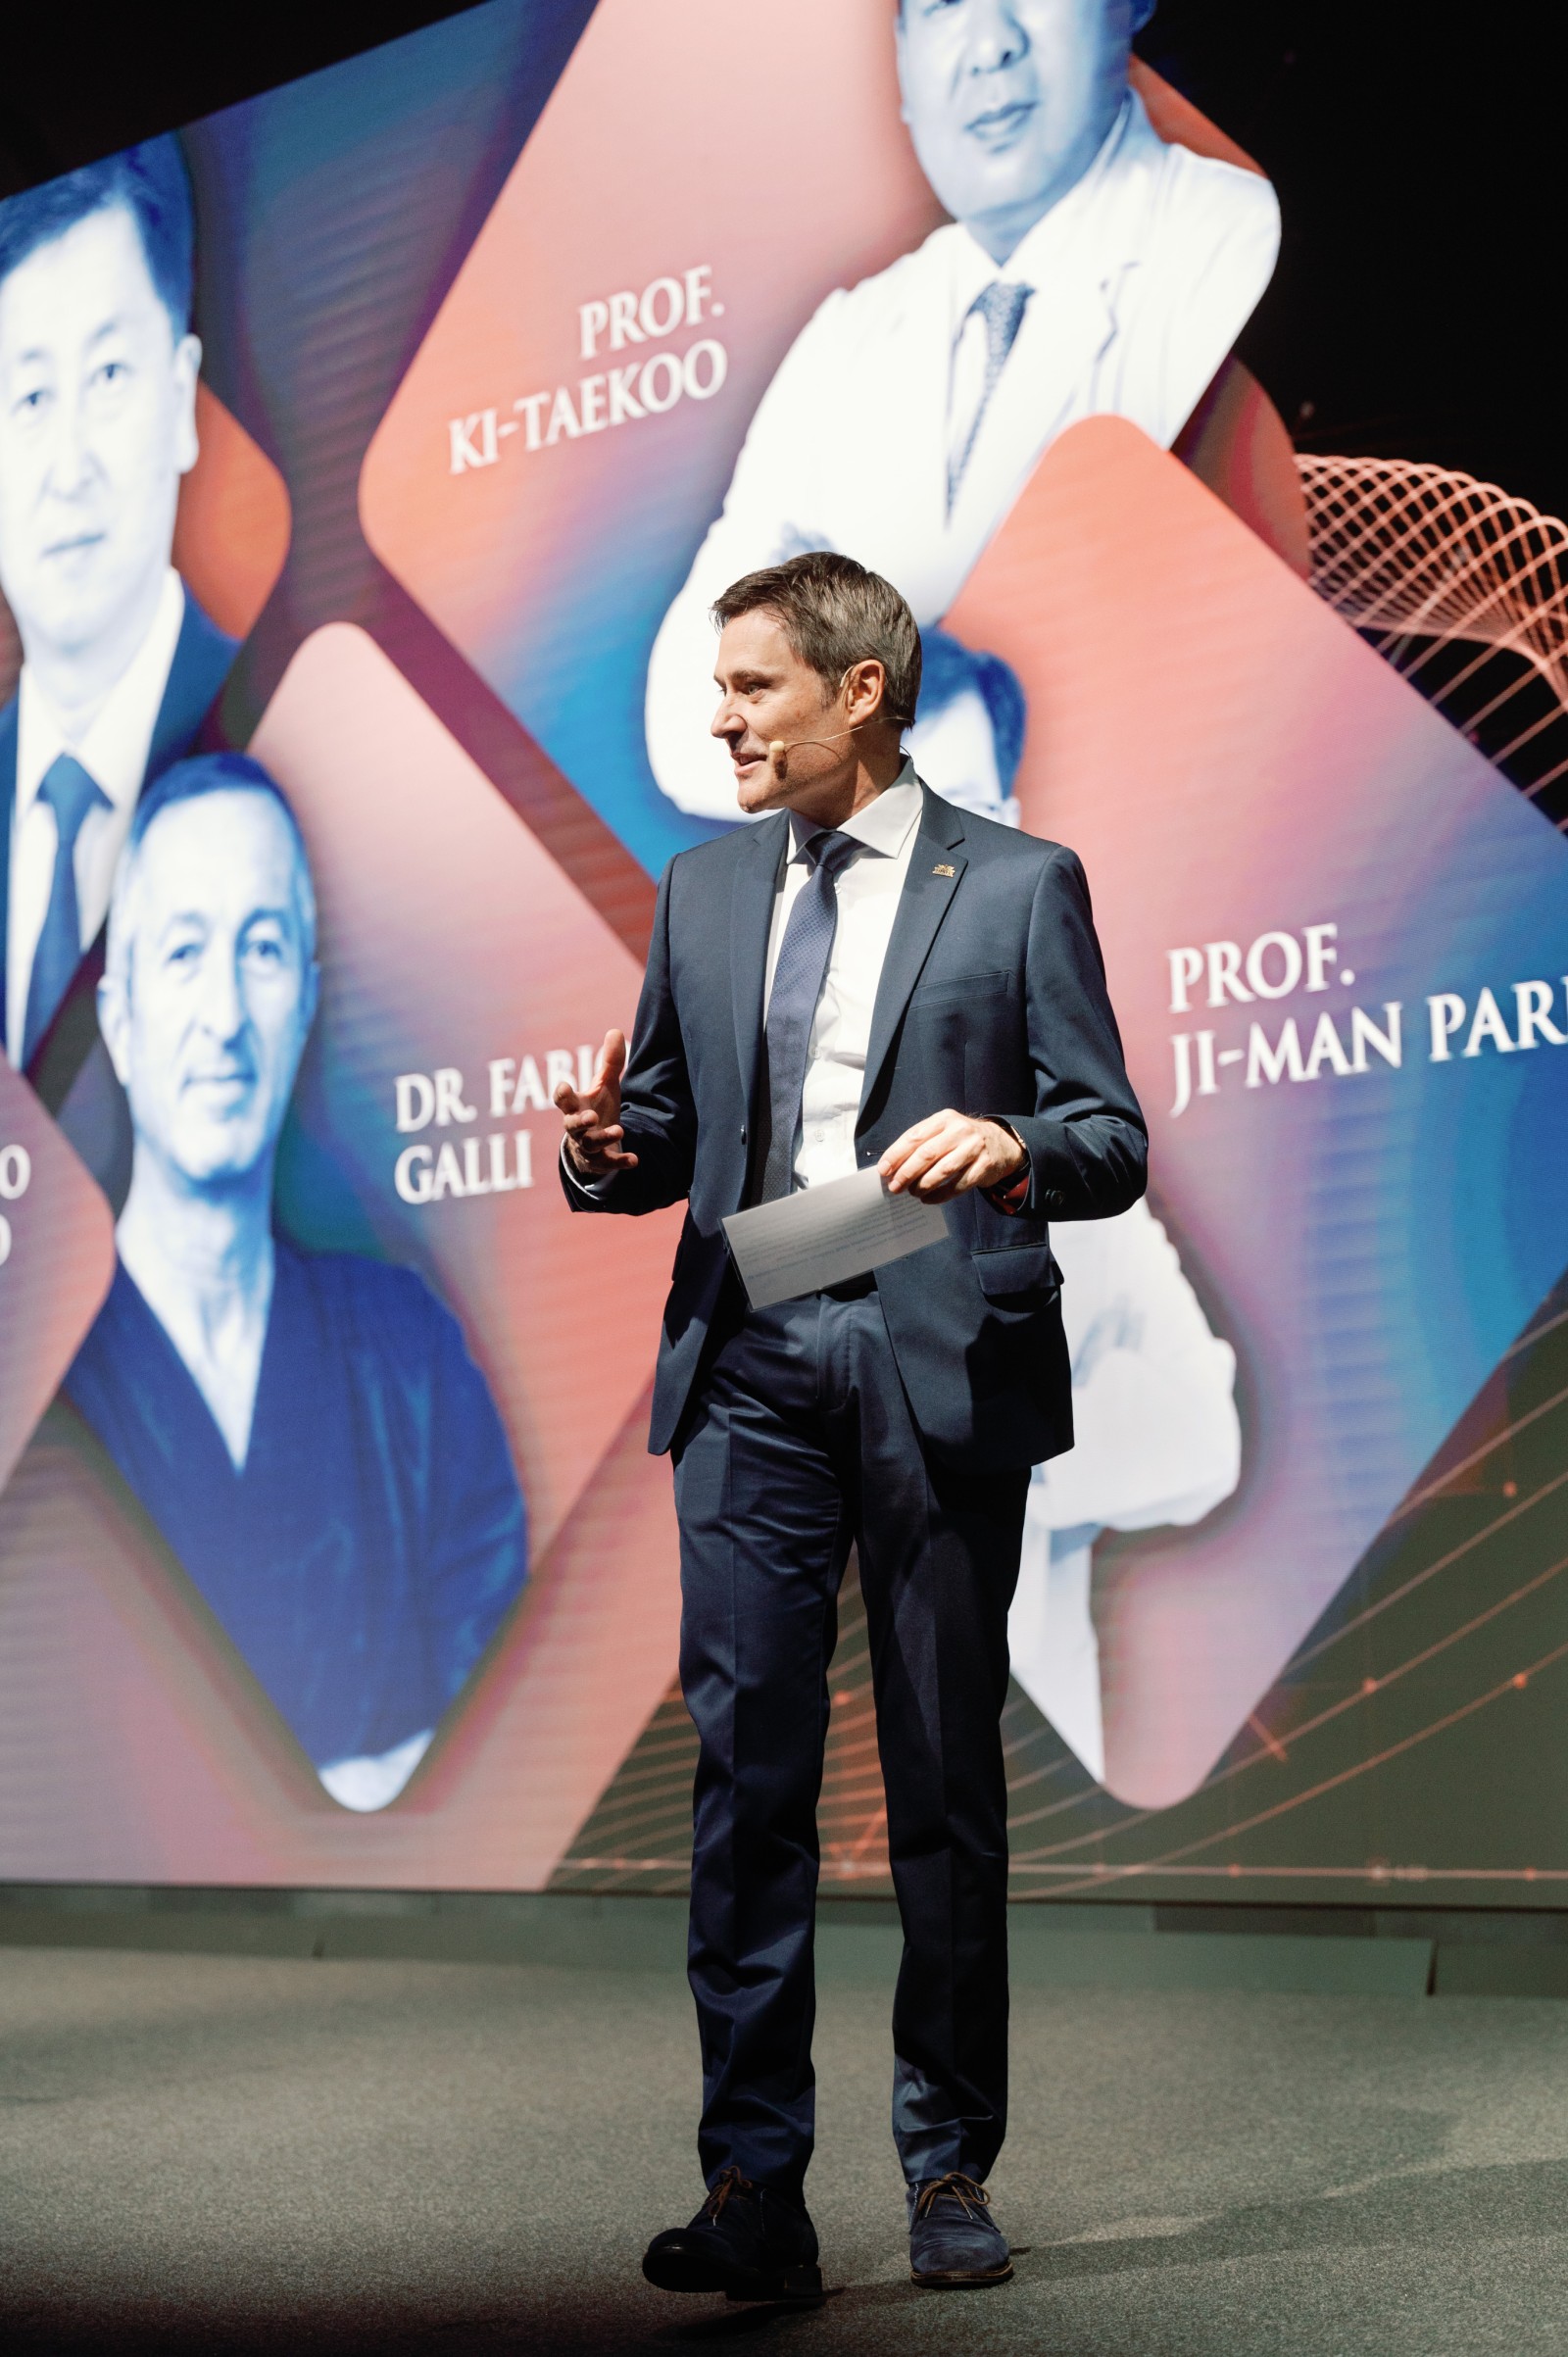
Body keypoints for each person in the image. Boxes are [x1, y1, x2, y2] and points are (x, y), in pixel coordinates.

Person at [556, 553, 1146, 2296]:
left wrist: (1015, 1144)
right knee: (746, 1780)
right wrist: (608, 1145)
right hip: (749, 1357)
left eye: (752, 688)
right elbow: (667, 1129)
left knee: (943, 1780)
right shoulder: (702, 887)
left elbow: (1109, 1136)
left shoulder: (1019, 884)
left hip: (932, 1359)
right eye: (720, 689)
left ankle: (948, 2164)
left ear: (860, 691)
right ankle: (755, 2188)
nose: (721, 720)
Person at [646, 0, 1281, 819]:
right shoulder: (849, 335)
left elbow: (1174, 681)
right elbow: (690, 718)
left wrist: (859, 696)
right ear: (902, 52)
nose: (988, 46)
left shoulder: (1233, 243)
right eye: (943, 2)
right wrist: (959, 706)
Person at [65, 755, 528, 1811]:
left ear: (308, 999)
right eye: (183, 951)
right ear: (120, 1020)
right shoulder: (44, 1386)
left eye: (263, 948)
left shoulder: (411, 1357)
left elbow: (507, 1736)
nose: (224, 1014)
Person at [912, 630, 1241, 1781]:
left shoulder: (1057, 1156)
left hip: (1029, 1748)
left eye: (964, 812)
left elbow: (1203, 1431)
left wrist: (1010, 1444)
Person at [0, 138, 238, 1072]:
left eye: (106, 378)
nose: (69, 469)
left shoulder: (287, 727)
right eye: (28, 397)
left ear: (179, 399)